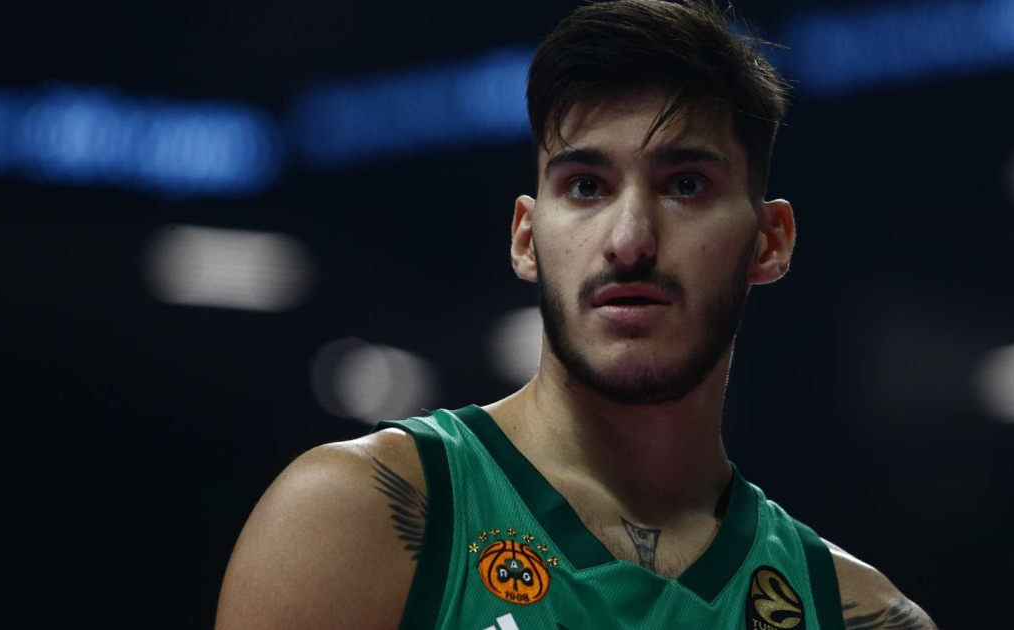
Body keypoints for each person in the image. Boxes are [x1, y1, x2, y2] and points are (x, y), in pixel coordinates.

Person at [216, 1, 938, 628]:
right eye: (587, 187)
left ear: (769, 241)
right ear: (526, 238)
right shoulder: (351, 518)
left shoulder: (857, 613)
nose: (630, 240)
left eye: (686, 185)